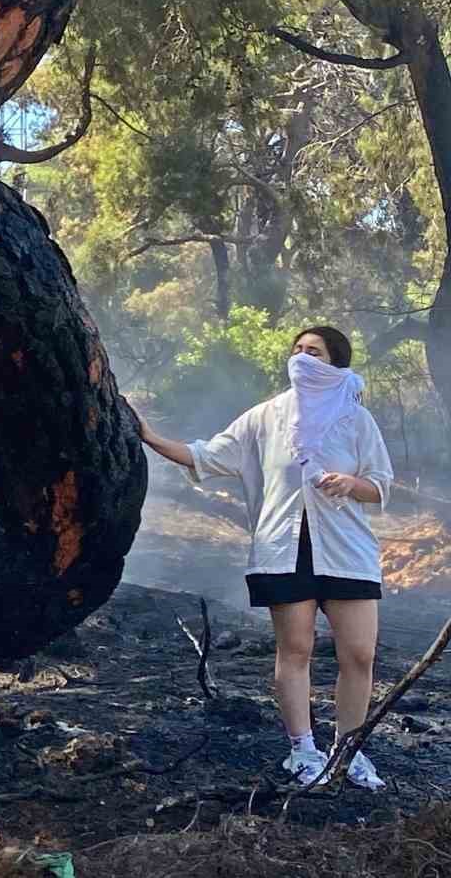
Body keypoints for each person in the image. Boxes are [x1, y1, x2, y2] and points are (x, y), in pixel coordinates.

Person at [138, 326, 393, 790]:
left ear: (335, 364)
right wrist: (152, 437)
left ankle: (348, 750)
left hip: (347, 553)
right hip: (283, 550)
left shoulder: (357, 421)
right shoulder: (266, 416)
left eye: (313, 352)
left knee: (359, 653)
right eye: (296, 350)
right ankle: (303, 751)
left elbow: (380, 485)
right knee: (295, 650)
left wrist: (350, 485)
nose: (301, 357)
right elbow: (208, 455)